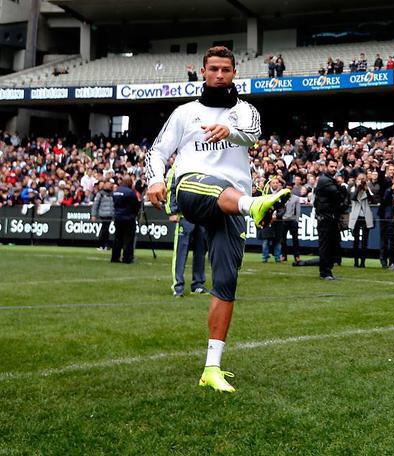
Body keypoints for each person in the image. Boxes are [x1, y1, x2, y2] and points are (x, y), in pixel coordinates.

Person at [144, 46, 288, 394]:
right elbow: (158, 151)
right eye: (213, 69)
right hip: (192, 188)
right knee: (211, 189)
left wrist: (229, 132)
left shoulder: (245, 111)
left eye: (225, 69)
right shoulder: (185, 113)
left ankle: (212, 368)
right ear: (204, 72)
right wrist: (155, 179)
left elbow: (253, 134)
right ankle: (253, 205)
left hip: (232, 201)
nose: (219, 75)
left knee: (225, 283)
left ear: (234, 73)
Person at [166, 165, 207, 297]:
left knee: (201, 251)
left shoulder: (205, 163)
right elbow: (171, 188)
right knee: (181, 252)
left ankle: (198, 284)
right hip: (184, 216)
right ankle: (178, 285)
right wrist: (172, 211)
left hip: (201, 216)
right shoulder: (179, 165)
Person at [315, 160, 346, 279]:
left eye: (335, 167)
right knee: (326, 245)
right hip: (325, 218)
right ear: (326, 167)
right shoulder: (325, 180)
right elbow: (338, 196)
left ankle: (327, 269)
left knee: (333, 244)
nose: (334, 169)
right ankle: (325, 272)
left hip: (330, 218)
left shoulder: (329, 181)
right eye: (331, 166)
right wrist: (342, 186)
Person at [110, 176, 140, 264]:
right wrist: (134, 214)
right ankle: (127, 258)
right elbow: (135, 206)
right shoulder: (130, 192)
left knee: (117, 238)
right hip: (128, 218)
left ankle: (115, 257)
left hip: (118, 217)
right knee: (128, 239)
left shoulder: (116, 191)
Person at [349, 172, 373, 268]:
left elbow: (372, 200)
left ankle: (363, 262)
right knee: (355, 240)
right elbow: (352, 198)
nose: (361, 181)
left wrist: (366, 189)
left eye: (363, 179)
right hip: (356, 216)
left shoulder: (367, 188)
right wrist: (358, 187)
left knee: (364, 241)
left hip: (365, 216)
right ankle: (355, 262)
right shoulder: (353, 188)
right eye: (360, 179)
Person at [90, 179, 114, 251]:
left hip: (110, 214)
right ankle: (102, 244)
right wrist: (93, 215)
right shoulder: (100, 193)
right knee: (105, 230)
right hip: (103, 214)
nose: (109, 185)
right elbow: (95, 205)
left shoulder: (112, 193)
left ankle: (104, 245)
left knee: (106, 230)